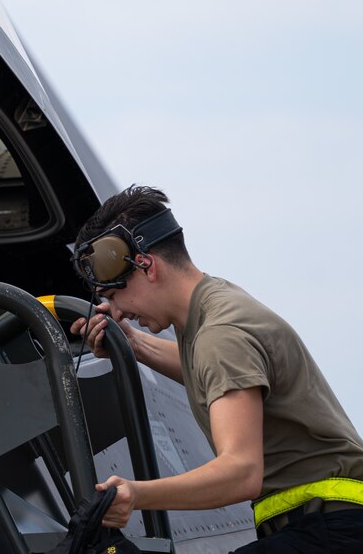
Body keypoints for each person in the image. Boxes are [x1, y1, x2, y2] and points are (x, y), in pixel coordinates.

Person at [69, 185, 363, 552]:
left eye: (113, 295)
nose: (117, 309)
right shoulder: (214, 307)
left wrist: (135, 493)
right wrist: (135, 345)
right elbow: (215, 371)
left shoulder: (220, 334)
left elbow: (240, 473)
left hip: (330, 530)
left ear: (147, 265)